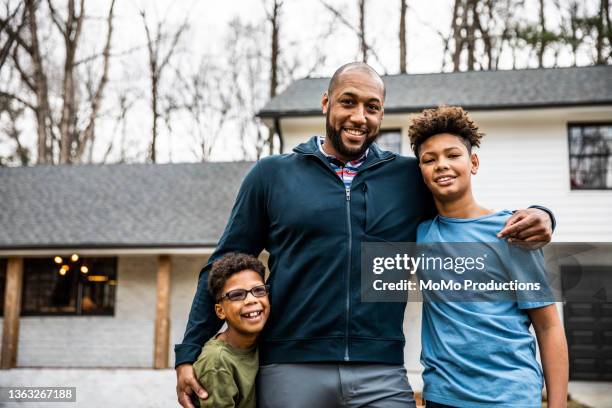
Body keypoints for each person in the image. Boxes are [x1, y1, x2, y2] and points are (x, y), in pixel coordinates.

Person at [175, 62, 555, 408]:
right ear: (326, 103)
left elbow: (463, 203)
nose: (359, 116)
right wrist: (189, 352)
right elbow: (222, 266)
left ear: (381, 115)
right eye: (348, 102)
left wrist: (543, 213)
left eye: (371, 107)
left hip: (382, 372)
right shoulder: (272, 175)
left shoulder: (409, 177)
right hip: (291, 365)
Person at [409, 106, 568, 408]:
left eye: (452, 155)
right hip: (443, 397)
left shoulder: (512, 232)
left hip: (510, 397)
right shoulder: (419, 235)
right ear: (421, 172)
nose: (441, 165)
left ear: (474, 163)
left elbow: (548, 326)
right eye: (429, 160)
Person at [191, 252, 270, 408]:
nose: (251, 300)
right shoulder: (217, 362)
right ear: (220, 311)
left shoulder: (266, 340)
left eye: (259, 290)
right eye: (237, 295)